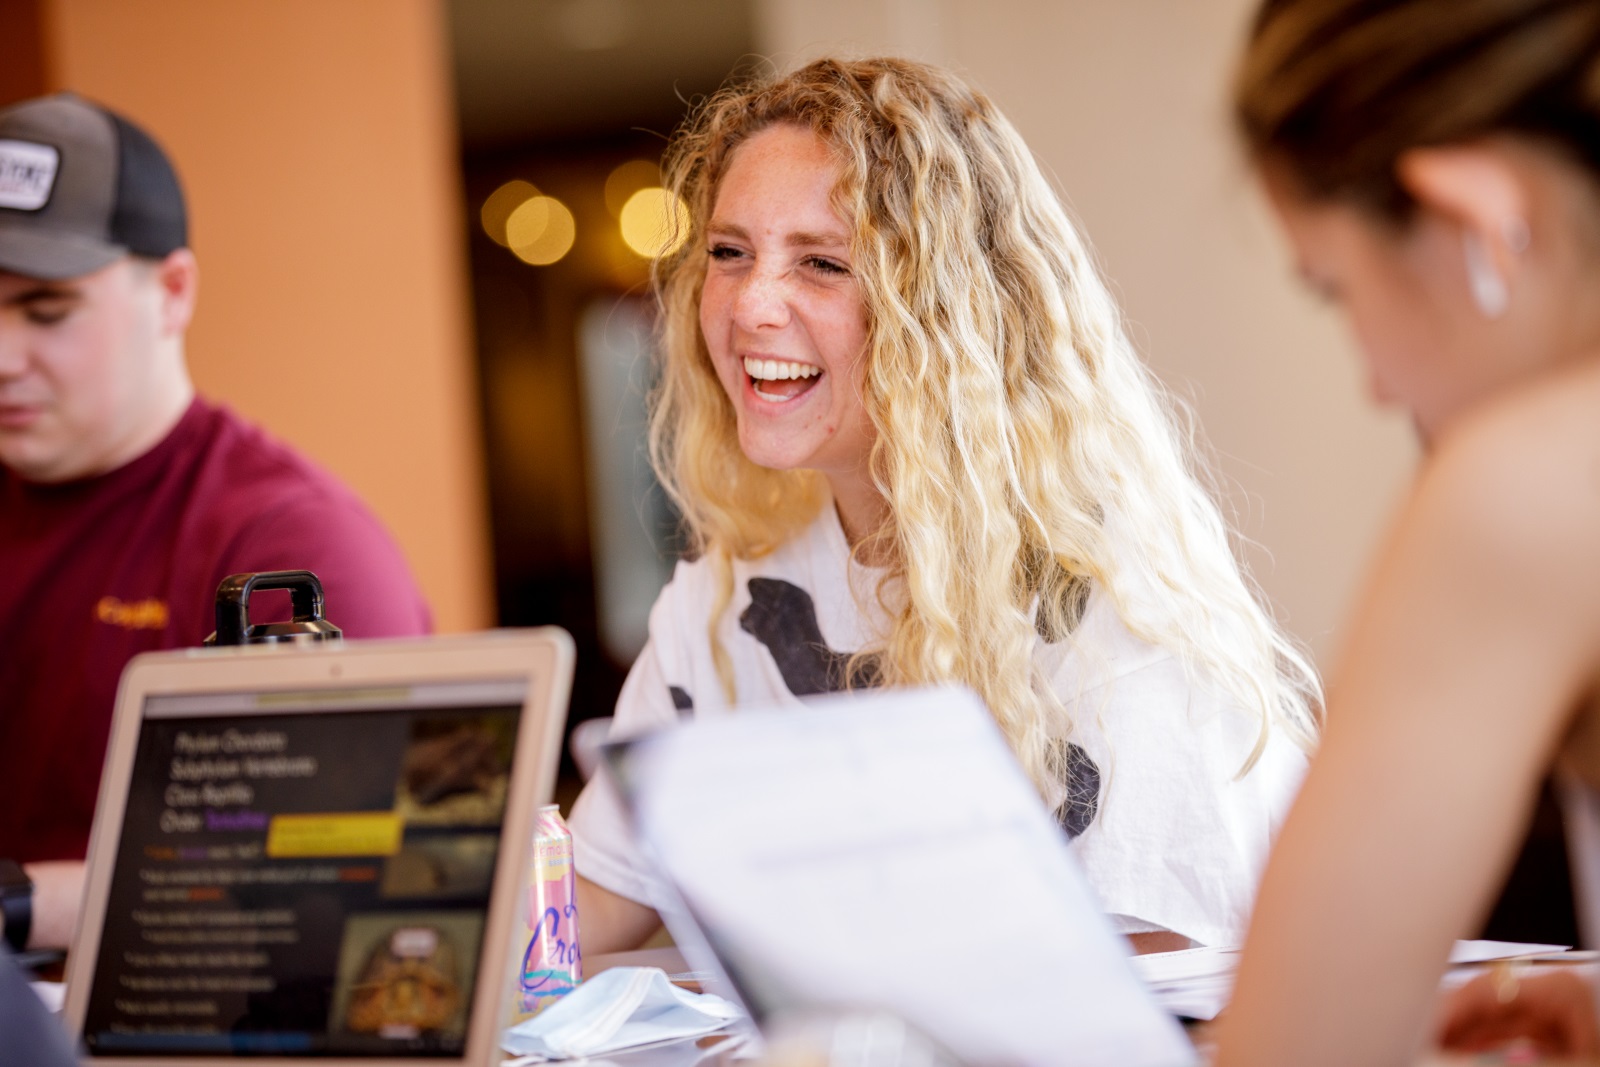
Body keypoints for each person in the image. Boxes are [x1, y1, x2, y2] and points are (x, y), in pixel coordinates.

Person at [569, 57, 1321, 956]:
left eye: (823, 262)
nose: (750, 305)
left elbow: (1167, 1002)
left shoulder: (1110, 611)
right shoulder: (721, 607)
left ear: (950, 311)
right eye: (729, 253)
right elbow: (578, 912)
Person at [1214, 1, 1600, 1063]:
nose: (1377, 385)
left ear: (1477, 222)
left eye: (1337, 290)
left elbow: (1293, 1051)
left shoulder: (1526, 490)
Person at [0, 93, 432, 956]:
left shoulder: (292, 546)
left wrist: (15, 901)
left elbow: (339, 864)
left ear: (172, 291)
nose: (3, 355)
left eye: (47, 312)